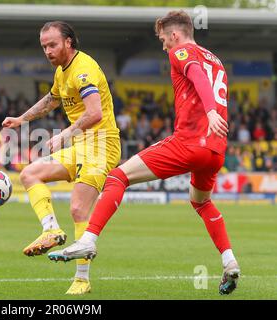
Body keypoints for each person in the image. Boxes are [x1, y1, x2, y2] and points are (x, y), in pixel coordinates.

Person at [48, 10, 241, 296]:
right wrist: (213, 115)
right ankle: (230, 261)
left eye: (163, 39)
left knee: (117, 177)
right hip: (215, 149)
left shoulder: (182, 52)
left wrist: (210, 111)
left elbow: (197, 75)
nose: (163, 46)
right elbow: (205, 77)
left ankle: (88, 240)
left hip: (189, 142)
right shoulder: (216, 59)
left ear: (174, 35)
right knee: (201, 202)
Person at [2, 21, 121, 295]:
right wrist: (22, 119)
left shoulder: (83, 70)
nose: (47, 50)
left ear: (68, 42)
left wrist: (65, 134)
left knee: (79, 209)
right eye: (44, 46)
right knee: (30, 174)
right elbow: (51, 101)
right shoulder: (61, 72)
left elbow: (95, 114)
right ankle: (52, 231)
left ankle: (82, 279)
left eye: (52, 44)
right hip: (81, 142)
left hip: (102, 143)